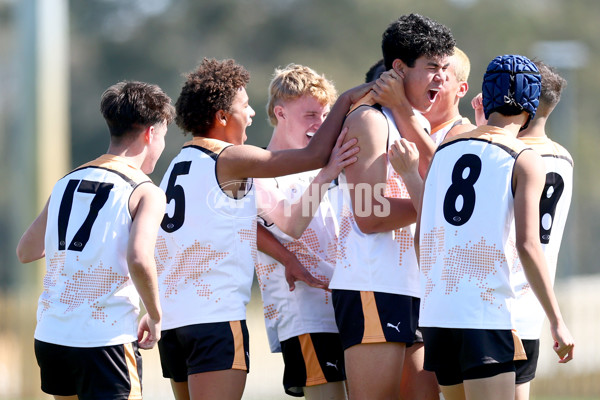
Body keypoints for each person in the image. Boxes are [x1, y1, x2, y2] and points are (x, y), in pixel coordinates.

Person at [153, 58, 371, 400]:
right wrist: (347, 102)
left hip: (175, 320)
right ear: (222, 117)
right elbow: (314, 157)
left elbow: (252, 222)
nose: (252, 113)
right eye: (244, 106)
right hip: (218, 317)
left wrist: (286, 256)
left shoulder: (176, 167)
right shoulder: (231, 160)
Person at [416, 54, 574, 400]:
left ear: (485, 100)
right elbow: (528, 246)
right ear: (530, 109)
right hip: (484, 316)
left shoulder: (445, 149)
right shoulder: (524, 157)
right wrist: (556, 320)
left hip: (438, 315)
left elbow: (422, 239)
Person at [16, 81, 175, 400]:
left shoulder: (66, 182)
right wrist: (156, 316)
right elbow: (140, 258)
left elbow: (26, 251)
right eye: (163, 137)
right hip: (104, 341)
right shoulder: (145, 191)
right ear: (150, 134)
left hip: (52, 336)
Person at [327, 13, 456, 400]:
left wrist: (403, 110)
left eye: (446, 69)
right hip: (372, 284)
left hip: (413, 287)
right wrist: (429, 204)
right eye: (432, 67)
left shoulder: (409, 118)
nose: (442, 78)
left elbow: (441, 176)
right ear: (398, 69)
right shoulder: (368, 119)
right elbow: (370, 215)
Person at [473, 61, 573, 400]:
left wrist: (483, 134)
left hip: (496, 305)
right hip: (533, 307)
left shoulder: (514, 157)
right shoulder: (563, 158)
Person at [254, 63, 354, 399]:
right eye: (310, 114)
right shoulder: (259, 169)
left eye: (325, 114)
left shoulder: (324, 165)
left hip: (345, 302)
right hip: (304, 311)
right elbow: (292, 226)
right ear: (280, 113)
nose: (320, 124)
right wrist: (327, 174)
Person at [423, 46, 475, 145]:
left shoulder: (467, 137)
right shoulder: (398, 125)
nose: (428, 83)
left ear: (461, 89)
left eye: (441, 78)